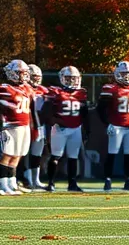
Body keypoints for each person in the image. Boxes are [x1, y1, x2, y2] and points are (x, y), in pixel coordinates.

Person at [95, 60, 129, 192]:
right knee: (112, 154)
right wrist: (107, 123)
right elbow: (100, 108)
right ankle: (108, 180)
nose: (127, 76)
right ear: (117, 74)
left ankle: (128, 180)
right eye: (124, 73)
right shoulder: (111, 89)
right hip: (116, 126)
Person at [42, 66, 88, 192]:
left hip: (76, 128)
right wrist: (53, 121)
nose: (71, 81)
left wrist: (86, 130)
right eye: (68, 79)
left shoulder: (82, 93)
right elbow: (46, 110)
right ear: (62, 78)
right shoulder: (55, 92)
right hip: (60, 128)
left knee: (73, 157)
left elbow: (84, 113)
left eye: (73, 78)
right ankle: (51, 183)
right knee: (56, 155)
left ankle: (72, 183)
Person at [0, 60, 34, 196]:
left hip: (24, 125)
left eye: (25, 73)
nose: (23, 76)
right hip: (10, 125)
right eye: (20, 73)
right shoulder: (4, 88)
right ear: (11, 74)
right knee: (7, 155)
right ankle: (2, 184)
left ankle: (11, 183)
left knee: (17, 155)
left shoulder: (26, 88)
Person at [23, 64, 48, 189]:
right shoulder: (24, 88)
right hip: (27, 124)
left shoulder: (44, 90)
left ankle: (36, 179)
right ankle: (25, 179)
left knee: (37, 153)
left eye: (38, 76)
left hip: (40, 125)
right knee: (24, 153)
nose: (36, 79)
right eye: (34, 76)